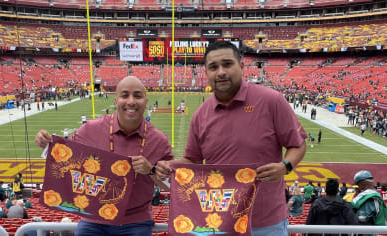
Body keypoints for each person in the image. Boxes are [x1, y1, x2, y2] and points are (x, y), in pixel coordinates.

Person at [156, 40, 307, 235]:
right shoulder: (200, 115)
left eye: (227, 64)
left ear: (241, 66)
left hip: (265, 222)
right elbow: (193, 160)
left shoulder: (271, 100)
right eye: (213, 67)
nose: (220, 72)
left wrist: (284, 166)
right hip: (222, 220)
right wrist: (171, 166)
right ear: (207, 73)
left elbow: (298, 144)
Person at [35, 76, 174, 236]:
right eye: (124, 95)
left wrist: (151, 170)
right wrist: (47, 144)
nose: (131, 101)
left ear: (146, 101)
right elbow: (64, 161)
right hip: (94, 219)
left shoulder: (159, 140)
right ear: (116, 101)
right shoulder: (90, 130)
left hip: (135, 221)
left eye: (137, 95)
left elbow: (171, 186)